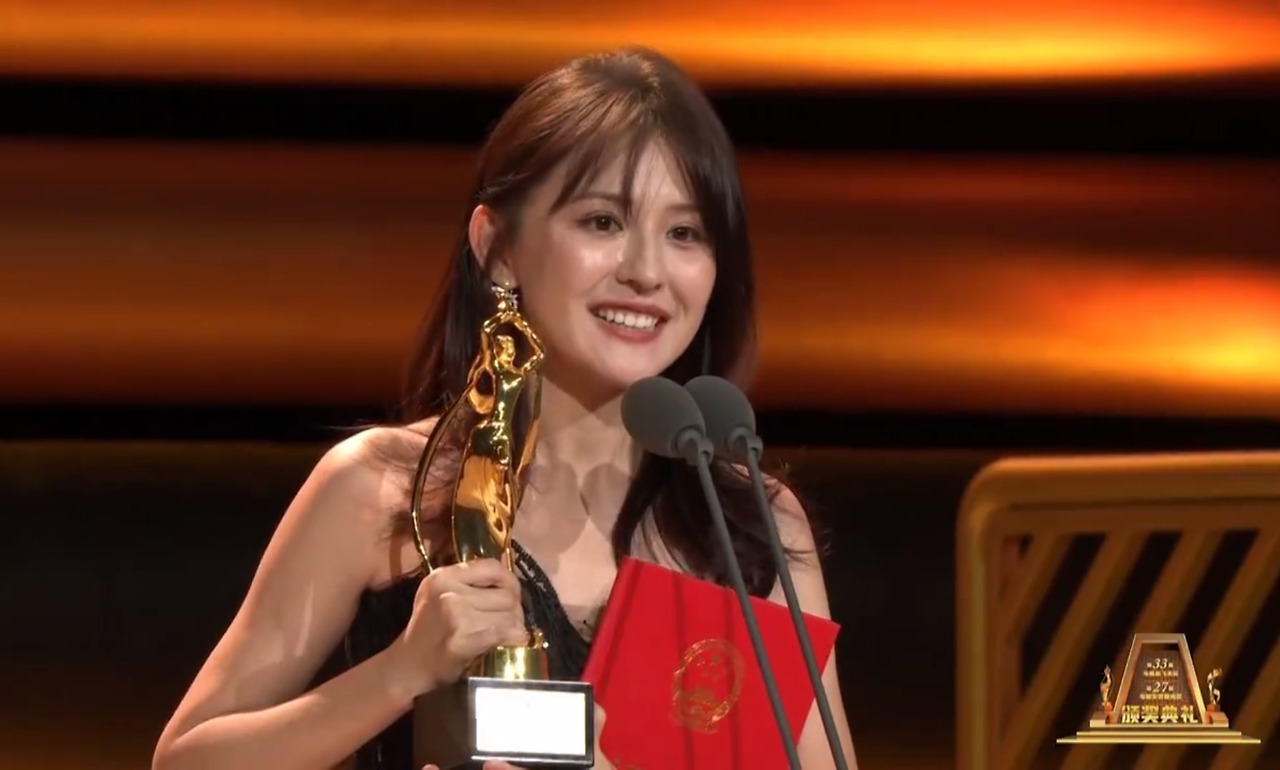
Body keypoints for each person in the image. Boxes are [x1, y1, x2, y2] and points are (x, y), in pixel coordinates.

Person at [152, 47, 858, 770]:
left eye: (685, 233)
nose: (648, 272)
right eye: (602, 222)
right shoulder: (381, 490)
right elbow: (185, 761)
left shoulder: (748, 525)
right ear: (497, 248)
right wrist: (400, 673)